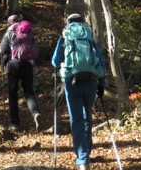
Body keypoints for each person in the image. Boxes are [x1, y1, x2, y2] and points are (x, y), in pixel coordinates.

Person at [51, 13, 106, 170]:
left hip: (72, 83)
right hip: (91, 82)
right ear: (83, 23)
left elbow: (55, 61)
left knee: (76, 121)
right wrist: (101, 84)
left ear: (68, 23)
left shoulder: (65, 37)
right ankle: (86, 151)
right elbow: (101, 62)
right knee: (87, 116)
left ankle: (82, 160)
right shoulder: (89, 38)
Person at [0, 14, 41, 131]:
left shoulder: (10, 31)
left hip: (14, 64)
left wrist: (2, 52)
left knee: (13, 94)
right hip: (28, 64)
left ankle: (15, 123)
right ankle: (35, 113)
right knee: (29, 92)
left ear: (10, 22)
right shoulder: (29, 29)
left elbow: (1, 50)